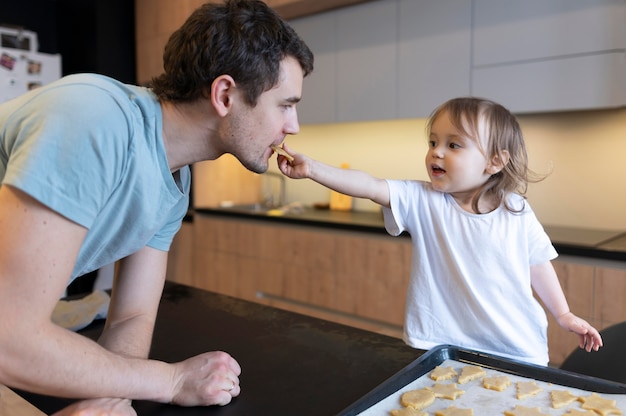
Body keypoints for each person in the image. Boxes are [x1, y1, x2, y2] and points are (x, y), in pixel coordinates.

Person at [0, 0, 313, 414]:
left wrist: (107, 401)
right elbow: (10, 339)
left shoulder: (174, 180)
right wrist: (171, 380)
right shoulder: (92, 119)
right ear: (224, 94)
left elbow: (130, 317)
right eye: (286, 105)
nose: (293, 126)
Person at [276, 97, 602, 366]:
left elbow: (537, 263)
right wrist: (313, 169)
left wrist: (564, 313)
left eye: (453, 144)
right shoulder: (424, 200)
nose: (437, 151)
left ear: (494, 162)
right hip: (439, 347)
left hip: (516, 350)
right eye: (433, 142)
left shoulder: (515, 210)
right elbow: (371, 186)